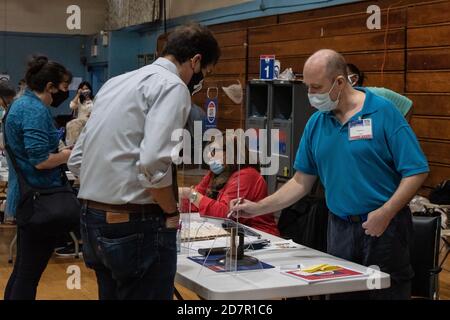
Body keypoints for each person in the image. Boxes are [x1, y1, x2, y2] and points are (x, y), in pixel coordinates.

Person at [231, 49, 429, 300]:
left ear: (339, 82)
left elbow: (416, 171)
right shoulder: (317, 123)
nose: (311, 95)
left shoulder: (383, 112)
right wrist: (258, 207)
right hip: (339, 229)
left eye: (316, 87)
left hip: (385, 228)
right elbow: (301, 182)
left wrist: (386, 212)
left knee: (386, 294)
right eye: (308, 88)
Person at [67, 23, 221, 300]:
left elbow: (77, 159)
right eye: (204, 73)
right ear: (196, 60)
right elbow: (152, 163)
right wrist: (171, 211)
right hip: (136, 223)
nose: (198, 81)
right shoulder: (173, 86)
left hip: (92, 218)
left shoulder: (116, 82)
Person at [4, 56, 73, 300]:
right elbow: (40, 159)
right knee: (28, 273)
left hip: (30, 195)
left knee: (23, 270)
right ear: (50, 86)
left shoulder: (22, 104)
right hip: (38, 197)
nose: (66, 92)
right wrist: (68, 154)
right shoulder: (33, 109)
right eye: (64, 87)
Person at [179, 135, 279, 236]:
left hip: (259, 236)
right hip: (230, 233)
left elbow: (225, 214)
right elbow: (196, 203)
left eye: (214, 151)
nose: (209, 155)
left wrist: (190, 194)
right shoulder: (215, 173)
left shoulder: (247, 175)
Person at [347, 63, 413, 120]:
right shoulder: (343, 102)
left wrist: (400, 131)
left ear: (354, 79)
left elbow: (407, 104)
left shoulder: (378, 93)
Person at [66, 81, 94, 146]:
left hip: (92, 121)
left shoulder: (94, 99)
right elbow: (72, 106)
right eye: (83, 89)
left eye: (87, 89)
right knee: (70, 124)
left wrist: (93, 113)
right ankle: (72, 145)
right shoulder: (79, 100)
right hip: (81, 122)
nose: (85, 91)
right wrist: (78, 94)